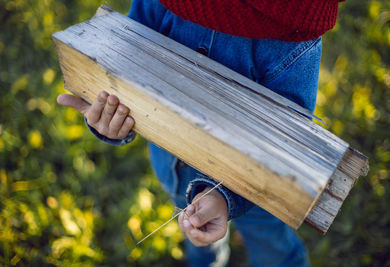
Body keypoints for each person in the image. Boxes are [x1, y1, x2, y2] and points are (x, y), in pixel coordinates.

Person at [57, 0, 344, 266]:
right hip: (172, 170)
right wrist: (111, 117)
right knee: (197, 235)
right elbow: (125, 65)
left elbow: (285, 148)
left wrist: (225, 195)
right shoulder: (159, 4)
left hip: (255, 196)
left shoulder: (293, 33)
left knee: (272, 245)